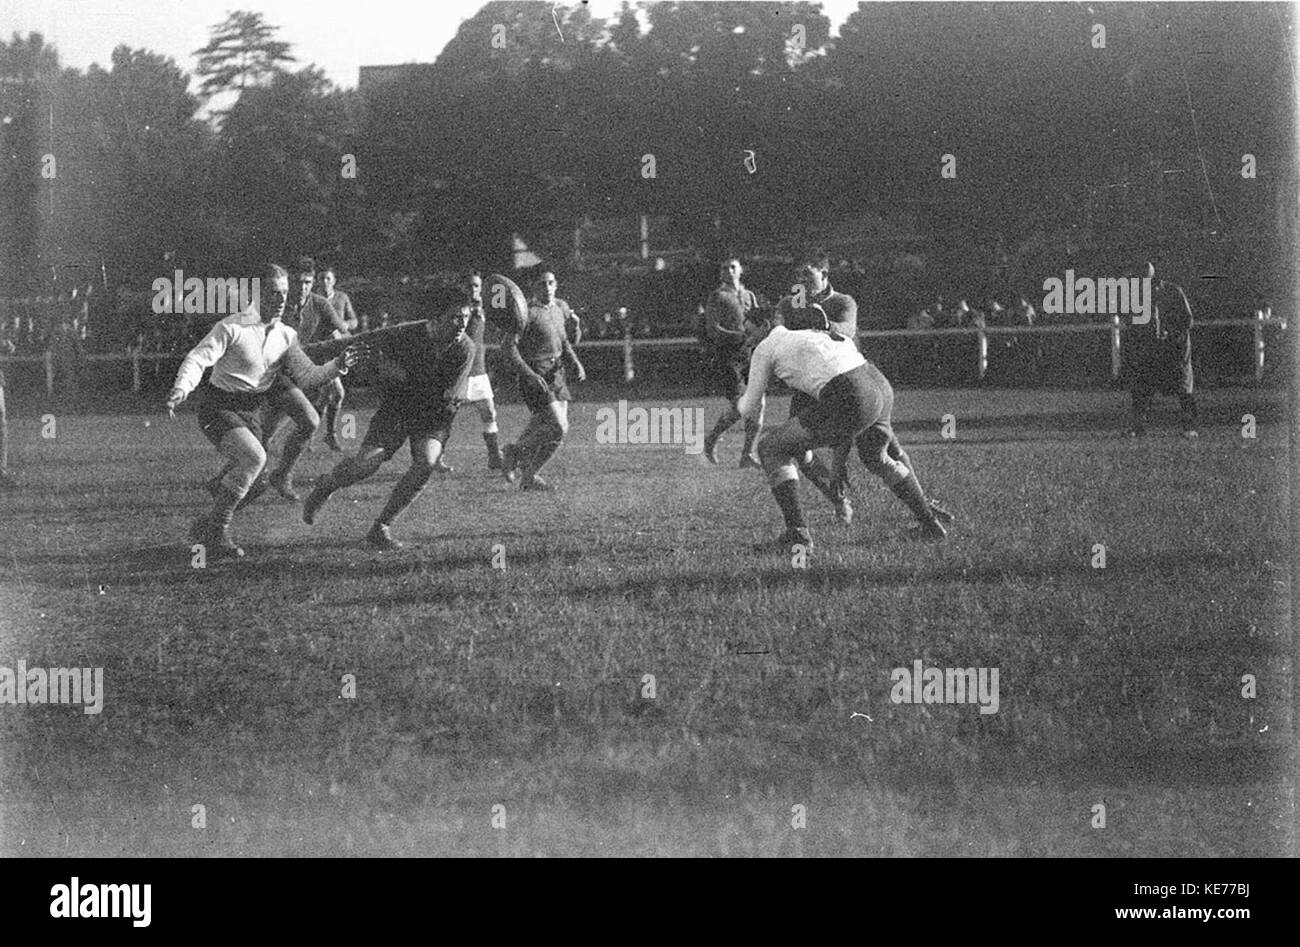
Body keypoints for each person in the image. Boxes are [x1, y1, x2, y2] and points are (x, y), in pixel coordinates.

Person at [164, 264, 361, 558]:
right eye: (273, 293)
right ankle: (216, 536)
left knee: (257, 484)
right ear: (255, 294)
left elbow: (307, 376)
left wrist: (337, 366)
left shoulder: (285, 335)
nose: (281, 299)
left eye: (284, 293)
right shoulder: (232, 327)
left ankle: (207, 526)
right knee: (254, 458)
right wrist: (182, 387)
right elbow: (198, 358)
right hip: (218, 408)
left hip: (251, 412)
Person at [738, 305, 953, 553]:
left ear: (765, 326)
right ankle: (930, 525)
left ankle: (797, 536)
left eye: (750, 331)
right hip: (877, 381)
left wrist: (722, 423)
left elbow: (748, 404)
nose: (748, 339)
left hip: (852, 391)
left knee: (770, 448)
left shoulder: (767, 347)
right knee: (877, 457)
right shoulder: (809, 336)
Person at [302, 302, 475, 550]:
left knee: (426, 462)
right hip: (398, 408)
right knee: (364, 466)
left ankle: (381, 527)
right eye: (454, 317)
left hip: (435, 414)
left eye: (465, 317)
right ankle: (327, 485)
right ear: (435, 320)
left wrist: (399, 374)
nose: (462, 324)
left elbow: (444, 394)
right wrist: (302, 353)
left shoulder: (465, 348)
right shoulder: (406, 333)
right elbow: (358, 342)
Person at [258, 256, 352, 497]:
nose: (303, 287)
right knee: (265, 435)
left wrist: (338, 340)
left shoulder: (320, 304)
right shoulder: (276, 304)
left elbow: (344, 332)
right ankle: (270, 475)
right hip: (276, 378)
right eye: (298, 282)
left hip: (304, 376)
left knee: (301, 424)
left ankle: (281, 474)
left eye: (308, 282)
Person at [500, 269, 587, 490]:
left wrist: (575, 359)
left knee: (553, 432)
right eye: (542, 284)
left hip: (556, 372)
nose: (547, 287)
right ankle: (514, 451)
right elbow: (507, 347)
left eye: (550, 283)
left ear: (556, 284)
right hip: (536, 372)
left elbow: (567, 341)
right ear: (533, 287)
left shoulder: (561, 307)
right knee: (559, 426)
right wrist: (528, 373)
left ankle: (529, 477)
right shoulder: (525, 312)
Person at [436, 269, 504, 473]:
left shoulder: (484, 309)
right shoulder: (456, 310)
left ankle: (494, 457)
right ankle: (437, 457)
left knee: (489, 412)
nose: (473, 289)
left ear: (481, 289)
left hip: (479, 371)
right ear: (463, 288)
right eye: (469, 285)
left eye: (476, 285)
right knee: (446, 417)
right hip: (459, 371)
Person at [700, 256, 763, 467]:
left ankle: (747, 455)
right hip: (728, 356)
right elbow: (713, 329)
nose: (728, 270)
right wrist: (739, 336)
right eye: (724, 267)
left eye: (732, 267)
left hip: (749, 354)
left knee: (759, 403)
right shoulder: (717, 296)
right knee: (741, 406)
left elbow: (756, 323)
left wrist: (761, 331)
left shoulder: (749, 296)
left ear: (741, 270)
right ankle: (711, 439)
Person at [1126, 262, 1197, 438]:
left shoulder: (1173, 291)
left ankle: (1189, 428)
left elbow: (1187, 320)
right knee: (1142, 387)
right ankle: (1138, 427)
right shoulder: (1137, 295)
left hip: (1176, 347)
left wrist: (1170, 332)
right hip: (1152, 347)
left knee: (1183, 387)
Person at [317, 266, 359, 451]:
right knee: (337, 393)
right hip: (320, 351)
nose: (324, 282)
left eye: (328, 278)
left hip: (338, 350)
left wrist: (342, 326)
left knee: (326, 397)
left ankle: (311, 433)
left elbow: (354, 321)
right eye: (322, 278)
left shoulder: (341, 298)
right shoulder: (313, 300)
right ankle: (330, 435)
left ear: (334, 281)